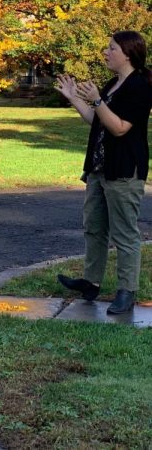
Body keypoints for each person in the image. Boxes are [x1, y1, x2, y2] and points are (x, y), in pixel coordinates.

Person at [55, 31, 152, 315]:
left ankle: (126, 291)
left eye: (111, 48)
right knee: (94, 228)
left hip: (123, 170)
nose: (106, 52)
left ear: (127, 53)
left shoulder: (140, 86)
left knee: (124, 233)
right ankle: (91, 282)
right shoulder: (113, 84)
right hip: (99, 169)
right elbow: (98, 122)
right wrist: (75, 98)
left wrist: (98, 101)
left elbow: (120, 127)